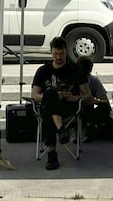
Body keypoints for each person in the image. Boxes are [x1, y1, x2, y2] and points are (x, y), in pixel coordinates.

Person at [31, 37, 91, 170]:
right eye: (56, 54)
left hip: (68, 106)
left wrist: (75, 98)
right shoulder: (43, 71)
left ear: (66, 51)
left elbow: (87, 94)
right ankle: (61, 130)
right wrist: (49, 96)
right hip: (48, 105)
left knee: (49, 109)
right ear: (51, 52)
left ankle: (52, 155)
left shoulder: (75, 69)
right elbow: (34, 95)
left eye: (62, 54)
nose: (59, 57)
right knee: (51, 94)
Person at [76, 56, 113, 142]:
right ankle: (88, 127)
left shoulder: (93, 80)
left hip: (89, 109)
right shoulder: (73, 79)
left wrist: (95, 101)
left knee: (104, 108)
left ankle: (89, 126)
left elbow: (105, 102)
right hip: (76, 107)